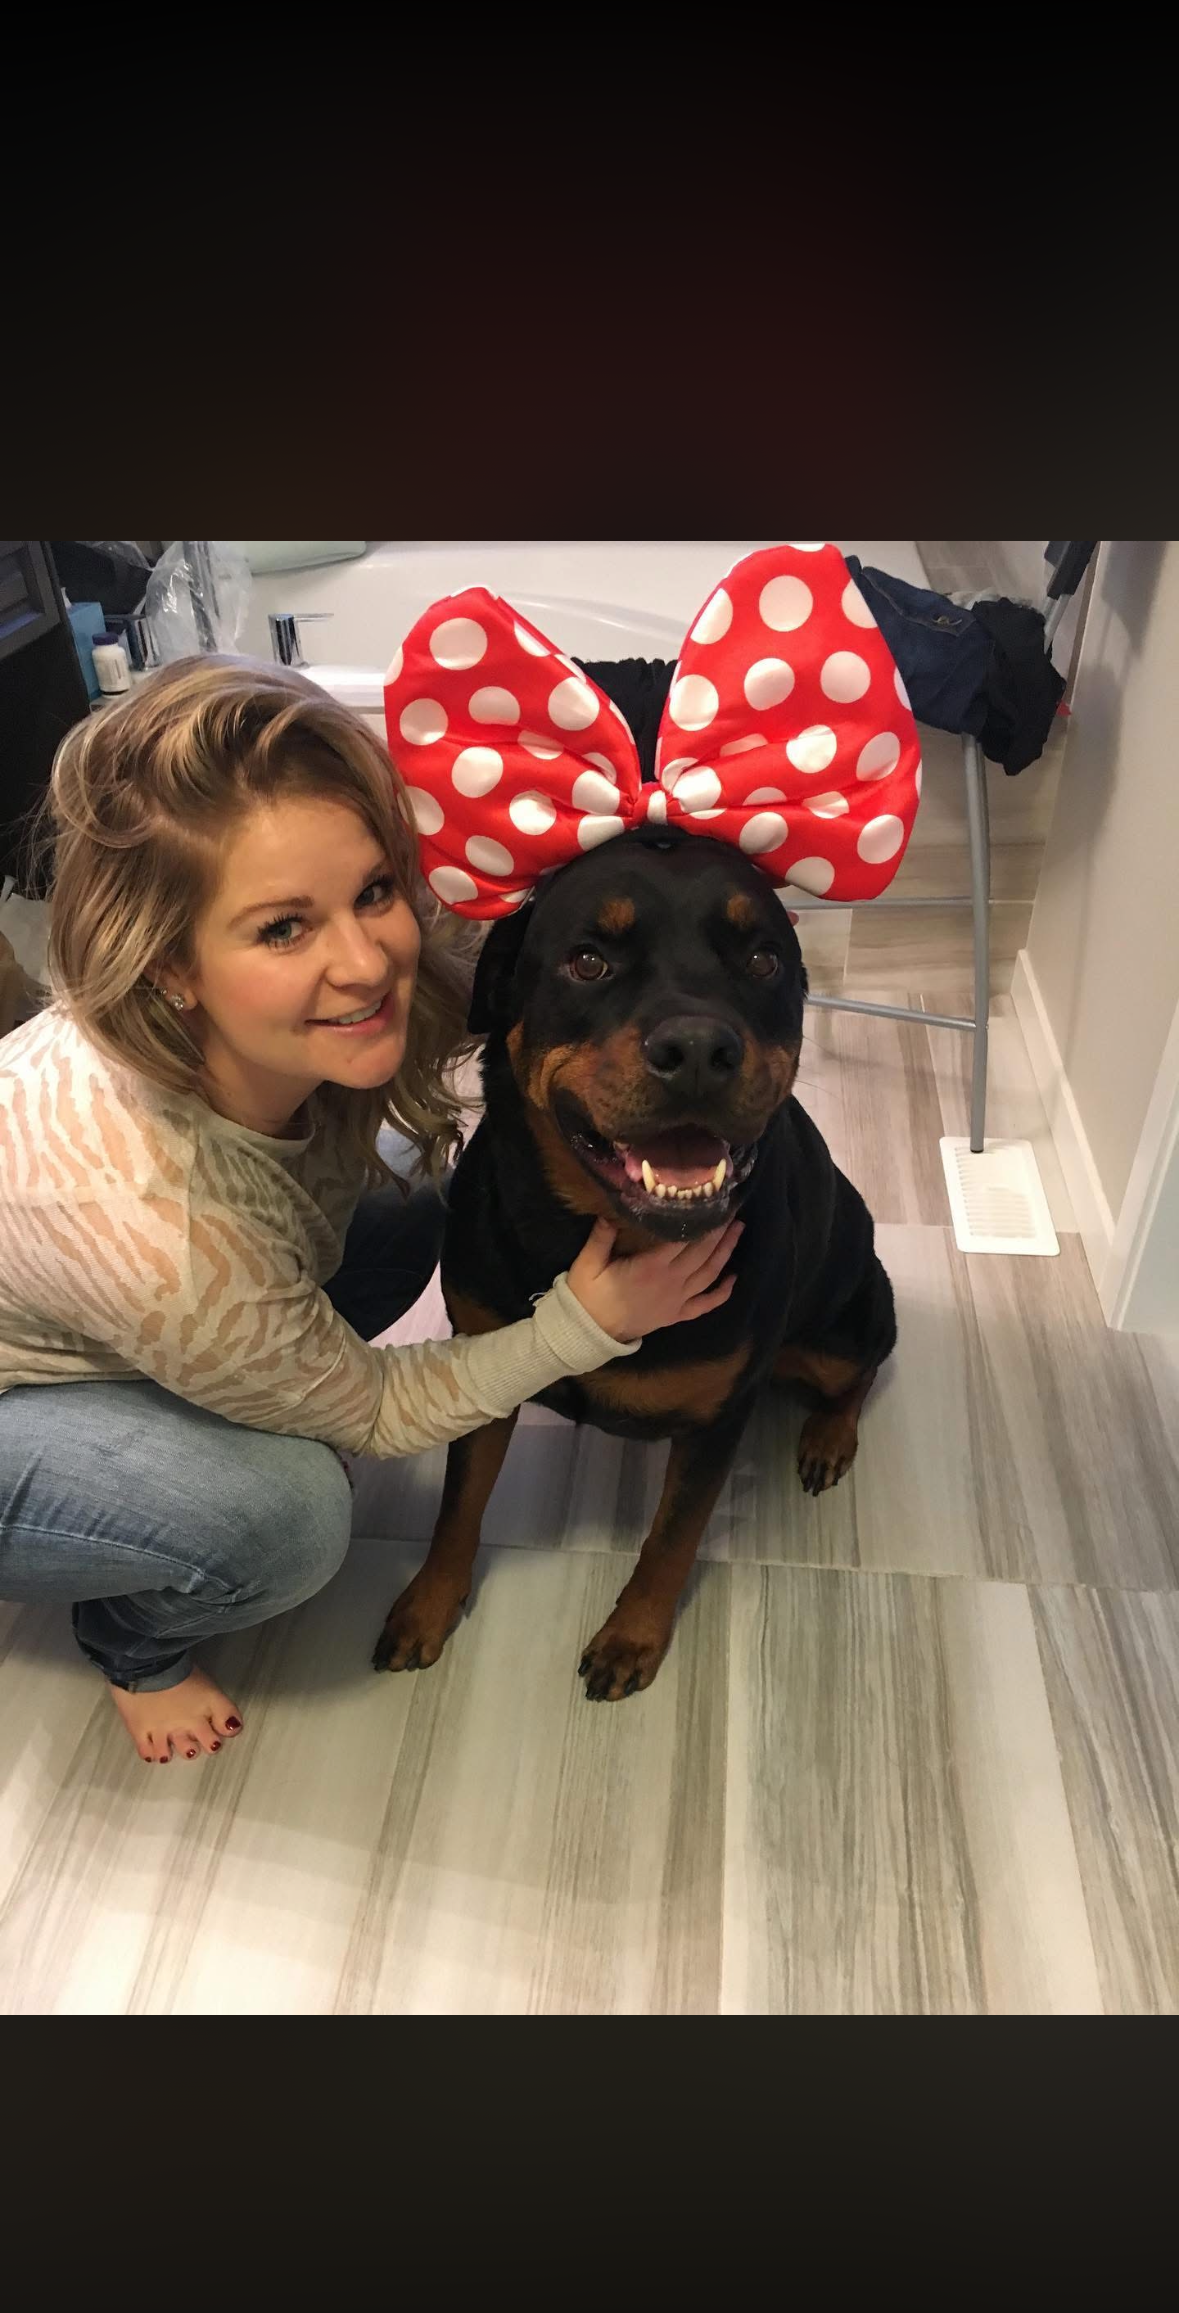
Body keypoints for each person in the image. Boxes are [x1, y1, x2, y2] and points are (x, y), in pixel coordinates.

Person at [0, 660, 738, 1765]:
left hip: (136, 1306)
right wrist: (581, 1323)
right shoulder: (159, 1230)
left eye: (375, 892)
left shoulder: (328, 1018)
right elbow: (383, 1417)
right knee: (291, 1518)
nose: (366, 961)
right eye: (283, 930)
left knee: (416, 1197)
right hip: (43, 1372)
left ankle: (235, 1388)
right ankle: (135, 1644)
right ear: (170, 970)